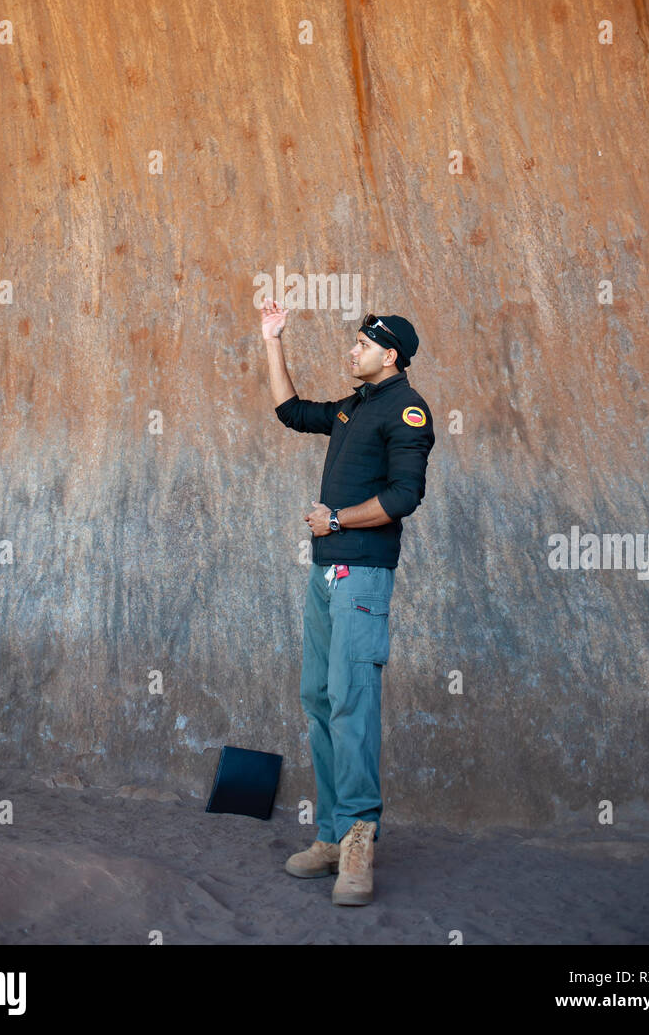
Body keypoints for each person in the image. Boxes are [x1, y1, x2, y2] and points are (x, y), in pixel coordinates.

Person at [261, 301, 435, 905]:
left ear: (389, 356)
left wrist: (334, 519)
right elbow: (289, 410)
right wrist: (272, 339)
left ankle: (360, 839)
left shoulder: (406, 411)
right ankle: (333, 837)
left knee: (352, 703)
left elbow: (404, 496)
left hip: (362, 575)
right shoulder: (351, 407)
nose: (350, 351)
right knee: (319, 697)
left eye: (361, 344)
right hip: (325, 575)